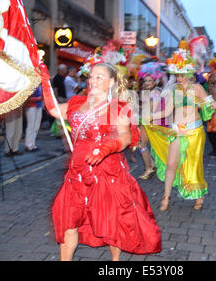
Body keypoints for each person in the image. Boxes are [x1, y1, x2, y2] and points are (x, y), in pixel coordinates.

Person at [40, 61, 161, 261]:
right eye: (91, 76)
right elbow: (54, 109)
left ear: (111, 81)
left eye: (99, 77)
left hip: (107, 172)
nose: (93, 80)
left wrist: (106, 148)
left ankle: (115, 262)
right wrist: (44, 81)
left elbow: (125, 137)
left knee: (111, 221)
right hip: (77, 173)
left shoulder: (118, 107)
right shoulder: (77, 102)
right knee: (69, 221)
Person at [149, 48, 216, 211]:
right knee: (172, 163)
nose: (179, 78)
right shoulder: (173, 90)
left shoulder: (198, 88)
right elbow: (167, 112)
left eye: (181, 74)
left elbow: (211, 104)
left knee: (194, 164)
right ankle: (166, 197)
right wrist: (150, 116)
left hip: (195, 132)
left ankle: (199, 194)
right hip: (177, 130)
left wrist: (212, 104)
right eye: (176, 75)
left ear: (188, 73)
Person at [137, 62, 166, 180]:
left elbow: (153, 108)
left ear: (155, 81)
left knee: (155, 147)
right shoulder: (147, 92)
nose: (147, 83)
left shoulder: (156, 92)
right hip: (144, 121)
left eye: (150, 81)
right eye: (145, 81)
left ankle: (150, 166)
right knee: (142, 144)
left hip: (153, 123)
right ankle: (149, 166)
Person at [24, 86, 44, 152]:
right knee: (31, 126)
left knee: (36, 126)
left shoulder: (40, 85)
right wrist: (38, 98)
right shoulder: (29, 84)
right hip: (31, 106)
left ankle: (33, 144)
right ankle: (28, 145)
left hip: (39, 105)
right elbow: (27, 98)